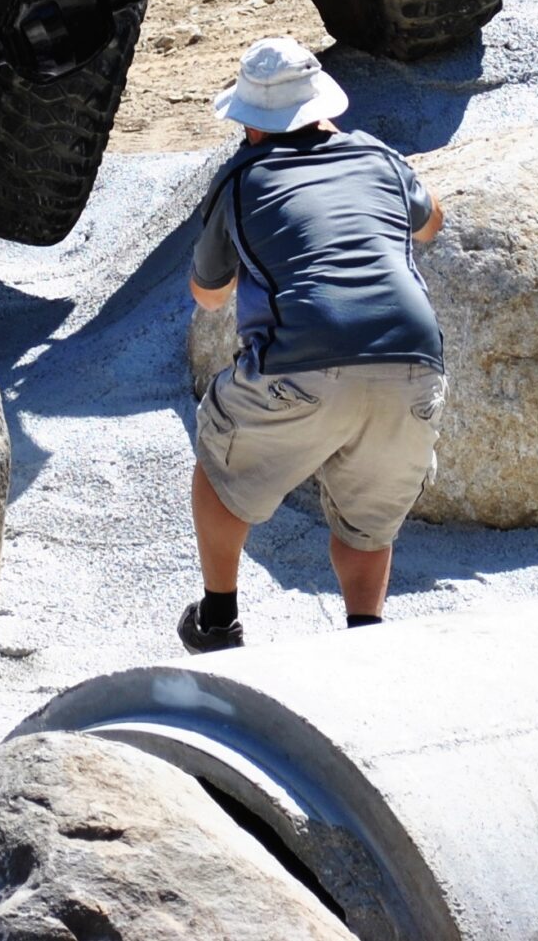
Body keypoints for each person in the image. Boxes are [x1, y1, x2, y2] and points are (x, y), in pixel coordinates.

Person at [181, 35, 448, 653]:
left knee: (220, 462)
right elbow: (431, 222)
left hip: (297, 367)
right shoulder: (379, 158)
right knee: (367, 521)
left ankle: (218, 620)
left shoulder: (241, 181)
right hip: (414, 366)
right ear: (324, 107)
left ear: (251, 125)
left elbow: (209, 296)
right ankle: (364, 641)